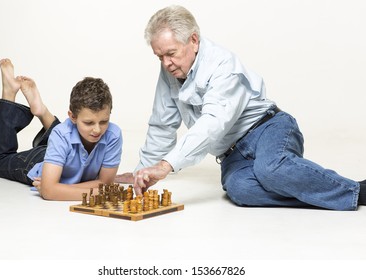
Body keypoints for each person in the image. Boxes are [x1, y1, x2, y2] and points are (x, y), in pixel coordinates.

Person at [116, 5, 366, 210]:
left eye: (170, 53)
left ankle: (356, 191)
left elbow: (212, 124)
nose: (166, 63)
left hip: (269, 128)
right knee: (241, 191)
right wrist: (143, 171)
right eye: (159, 56)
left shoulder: (223, 65)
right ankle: (319, 191)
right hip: (232, 154)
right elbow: (163, 122)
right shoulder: (169, 70)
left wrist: (166, 165)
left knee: (270, 169)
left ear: (193, 40)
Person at [0, 58, 123, 201]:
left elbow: (105, 183)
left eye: (104, 121)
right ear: (72, 116)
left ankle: (42, 110)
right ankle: (9, 92)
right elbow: (49, 192)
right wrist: (100, 193)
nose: (97, 130)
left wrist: (58, 187)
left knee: (67, 132)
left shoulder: (113, 134)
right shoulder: (61, 134)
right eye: (89, 122)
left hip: (64, 154)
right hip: (40, 162)